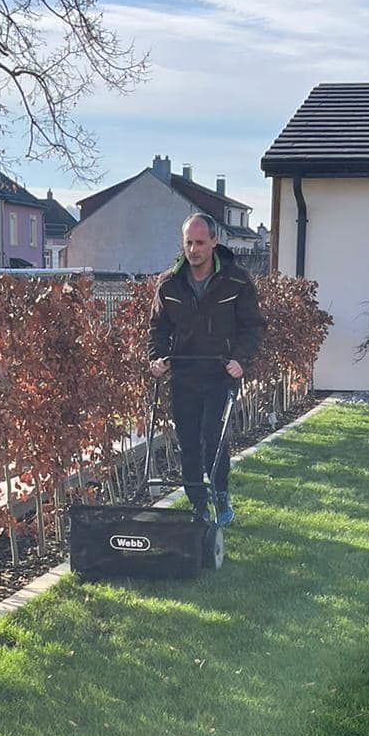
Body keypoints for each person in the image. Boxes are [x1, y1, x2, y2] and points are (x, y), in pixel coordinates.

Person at [147, 213, 263, 526]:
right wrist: (157, 358)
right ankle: (198, 507)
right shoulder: (169, 283)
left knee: (213, 439)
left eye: (200, 242)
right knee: (188, 443)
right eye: (188, 242)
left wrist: (241, 359)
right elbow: (158, 328)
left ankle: (221, 494)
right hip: (184, 373)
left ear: (214, 241)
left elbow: (252, 327)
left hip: (220, 373)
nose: (194, 249)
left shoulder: (236, 281)